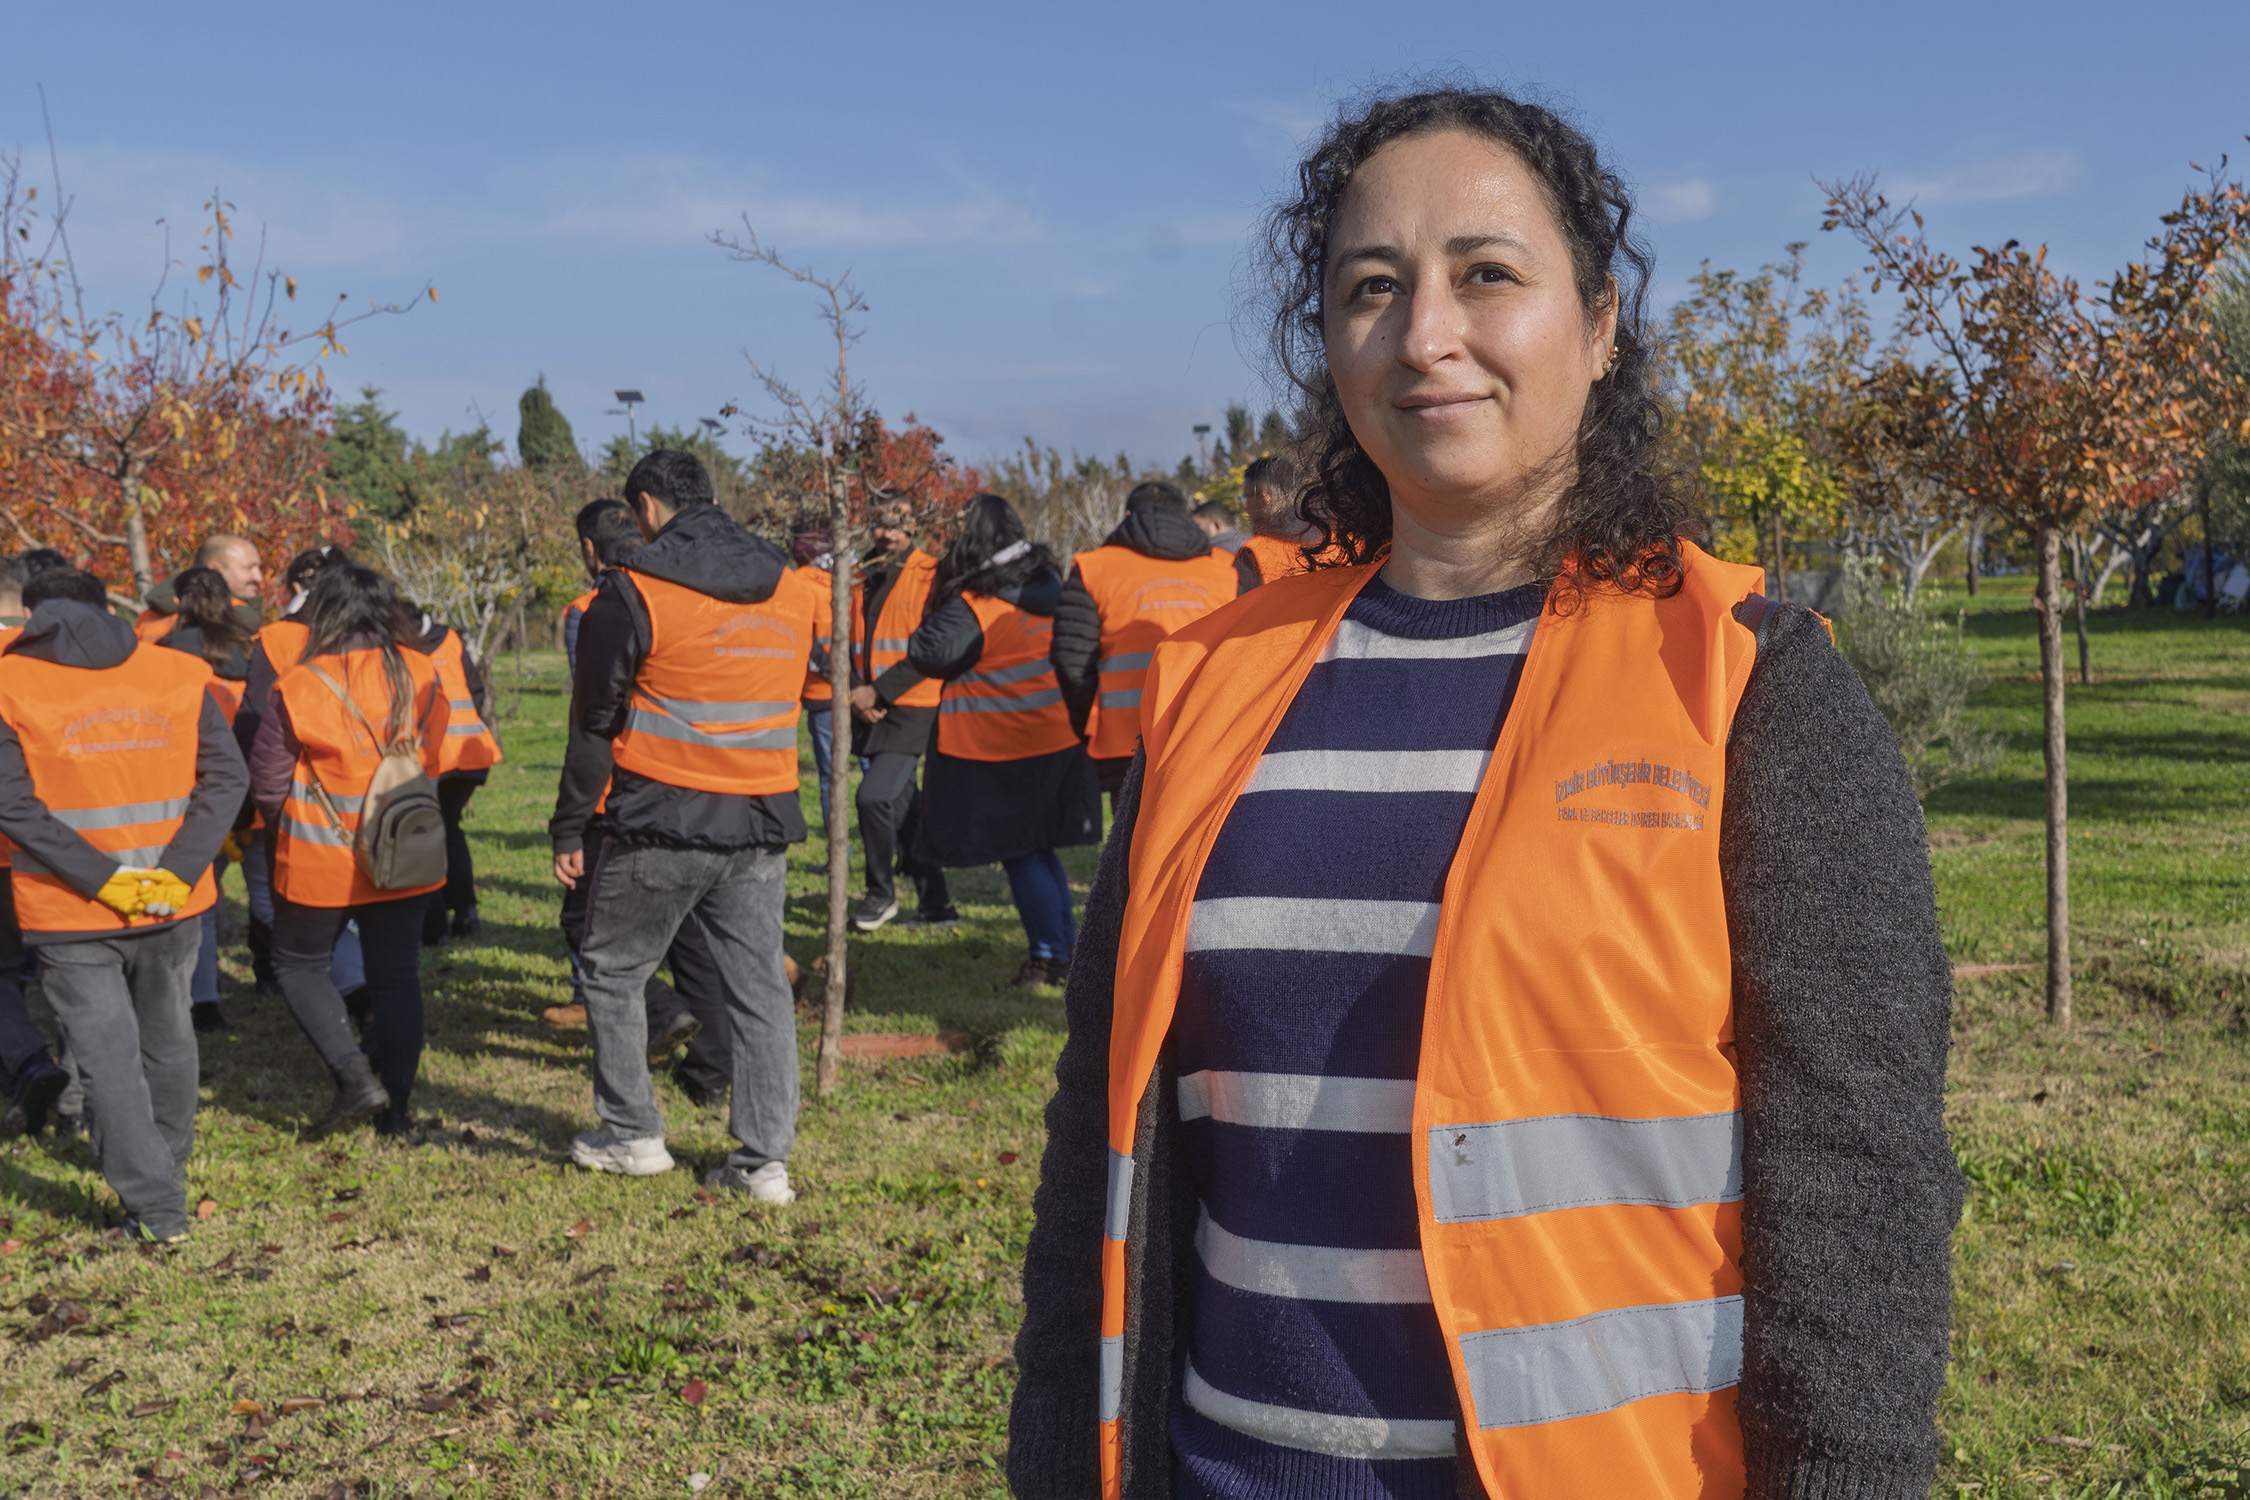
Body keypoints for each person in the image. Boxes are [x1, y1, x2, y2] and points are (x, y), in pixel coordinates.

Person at [1007, 87, 1958, 1500]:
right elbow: (1102, 1133)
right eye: (1368, 289)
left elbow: (1857, 1189)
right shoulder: (1209, 684)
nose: (1423, 335)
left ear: (1600, 325)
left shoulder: (1744, 685)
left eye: (1486, 275)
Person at [549, 449, 814, 1201]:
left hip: (659, 818)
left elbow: (593, 722)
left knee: (612, 969)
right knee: (760, 988)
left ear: (645, 509)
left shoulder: (632, 592)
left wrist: (571, 827)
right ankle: (764, 1163)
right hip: (761, 816)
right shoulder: (792, 587)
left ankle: (632, 1134)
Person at [0, 566, 246, 1240]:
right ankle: (166, 1167)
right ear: (105, 607)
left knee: (104, 1054)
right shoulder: (177, 671)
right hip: (171, 898)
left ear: (33, 615)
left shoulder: (8, 682)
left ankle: (158, 1206)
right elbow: (228, 776)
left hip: (68, 906)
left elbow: (11, 804)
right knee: (169, 1035)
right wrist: (177, 869)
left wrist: (100, 879)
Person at [250, 564, 448, 1141]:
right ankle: (398, 1113)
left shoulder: (300, 682)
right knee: (396, 976)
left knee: (298, 964)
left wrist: (276, 831)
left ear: (321, 612)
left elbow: (267, 781)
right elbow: (429, 759)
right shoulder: (421, 671)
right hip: (403, 847)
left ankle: (354, 1077)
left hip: (320, 854)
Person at [551, 496, 733, 1107]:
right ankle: (711, 1071)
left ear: (588, 550)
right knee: (688, 934)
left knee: (584, 924)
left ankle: (660, 1014)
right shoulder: (693, 593)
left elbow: (596, 716)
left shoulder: (596, 608)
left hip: (622, 793)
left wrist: (571, 821)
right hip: (699, 786)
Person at [898, 494, 1101, 987]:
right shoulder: (1051, 584)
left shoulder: (976, 604)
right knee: (1040, 849)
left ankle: (1050, 957)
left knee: (1023, 853)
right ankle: (1066, 950)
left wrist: (944, 587)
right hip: (1056, 735)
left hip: (999, 746)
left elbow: (926, 651)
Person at [1049, 480, 1241, 809]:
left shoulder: (1093, 569)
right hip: (1213, 735)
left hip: (1125, 744)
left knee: (1133, 852)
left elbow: (1071, 663)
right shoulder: (1230, 569)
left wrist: (1090, 726)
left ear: (1126, 515)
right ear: (1185, 516)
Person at [234, 546, 364, 1003]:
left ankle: (329, 983)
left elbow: (253, 723)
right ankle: (356, 984)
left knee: (290, 905)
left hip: (300, 798)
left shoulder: (274, 639)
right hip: (377, 797)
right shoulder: (380, 636)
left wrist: (260, 808)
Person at [844, 503, 955, 932]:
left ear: (914, 523)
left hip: (913, 705)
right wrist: (858, 692)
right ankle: (938, 906)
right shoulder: (859, 573)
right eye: (881, 522)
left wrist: (878, 690)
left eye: (897, 523)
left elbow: (935, 649)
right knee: (907, 809)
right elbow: (849, 640)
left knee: (873, 797)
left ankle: (880, 893)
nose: (888, 532)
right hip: (868, 705)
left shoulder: (932, 572)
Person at [158, 567, 257, 1034]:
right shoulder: (253, 648)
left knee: (203, 902)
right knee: (266, 890)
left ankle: (205, 1001)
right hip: (257, 782)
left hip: (200, 788)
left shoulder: (165, 655)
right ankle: (278, 977)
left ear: (179, 603)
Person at [0, 555, 73, 1137]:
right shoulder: (63, 659)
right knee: (75, 974)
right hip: (64, 848)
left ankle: (27, 1060)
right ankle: (75, 1097)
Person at [411, 608, 502, 944]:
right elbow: (475, 691)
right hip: (473, 751)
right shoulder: (449, 638)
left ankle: (435, 924)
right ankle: (465, 913)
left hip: (437, 756)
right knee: (448, 828)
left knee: (431, 833)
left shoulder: (403, 649)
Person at [791, 526, 840, 847]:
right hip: (855, 687)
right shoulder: (847, 581)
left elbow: (799, 637)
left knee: (828, 777)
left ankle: (839, 853)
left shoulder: (798, 585)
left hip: (819, 692)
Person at [135, 534, 265, 642]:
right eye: (248, 568)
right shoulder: (235, 619)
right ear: (214, 571)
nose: (259, 578)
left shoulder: (145, 619)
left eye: (259, 568)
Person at [1230, 451, 1320, 590]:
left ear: (1264, 498)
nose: (1244, 505)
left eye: (1247, 497)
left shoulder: (1252, 555)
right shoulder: (1341, 539)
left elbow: (1244, 609)